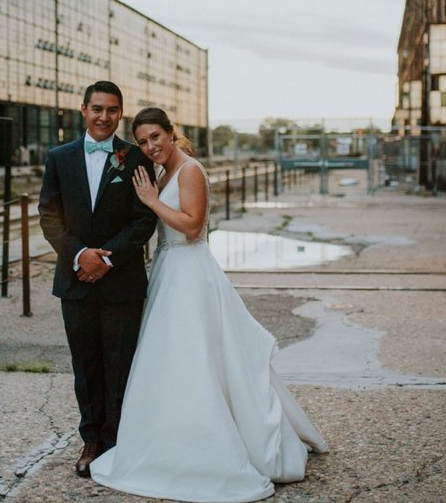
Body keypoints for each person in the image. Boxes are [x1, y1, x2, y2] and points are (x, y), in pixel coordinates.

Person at [90, 107, 328, 503]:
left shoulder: (190, 171)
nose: (150, 147)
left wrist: (150, 199)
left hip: (190, 272)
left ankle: (210, 444)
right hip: (170, 270)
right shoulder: (166, 171)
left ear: (171, 133)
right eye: (143, 141)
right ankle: (174, 436)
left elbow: (192, 225)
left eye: (156, 137)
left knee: (194, 357)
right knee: (173, 359)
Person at [38, 81, 158, 478]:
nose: (104, 117)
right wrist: (79, 255)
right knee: (86, 365)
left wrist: (106, 258)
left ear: (119, 114)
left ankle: (118, 441)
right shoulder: (59, 157)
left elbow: (145, 218)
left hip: (120, 280)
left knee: (120, 364)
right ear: (83, 110)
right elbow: (49, 217)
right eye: (97, 109)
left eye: (112, 110)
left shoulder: (135, 157)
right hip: (75, 281)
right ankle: (91, 440)